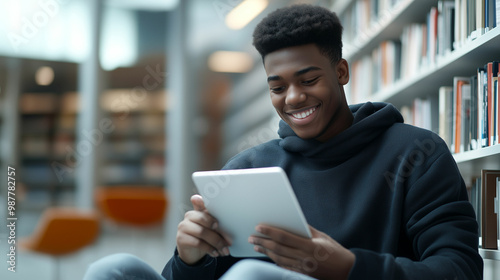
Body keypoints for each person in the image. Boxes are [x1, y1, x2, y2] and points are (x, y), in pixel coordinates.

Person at [84, 4, 483, 280]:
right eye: (278, 87)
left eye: (308, 80)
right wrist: (190, 259)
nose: (293, 98)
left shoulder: (417, 153)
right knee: (113, 269)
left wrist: (346, 267)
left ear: (341, 71)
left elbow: (459, 270)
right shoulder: (246, 169)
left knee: (253, 274)